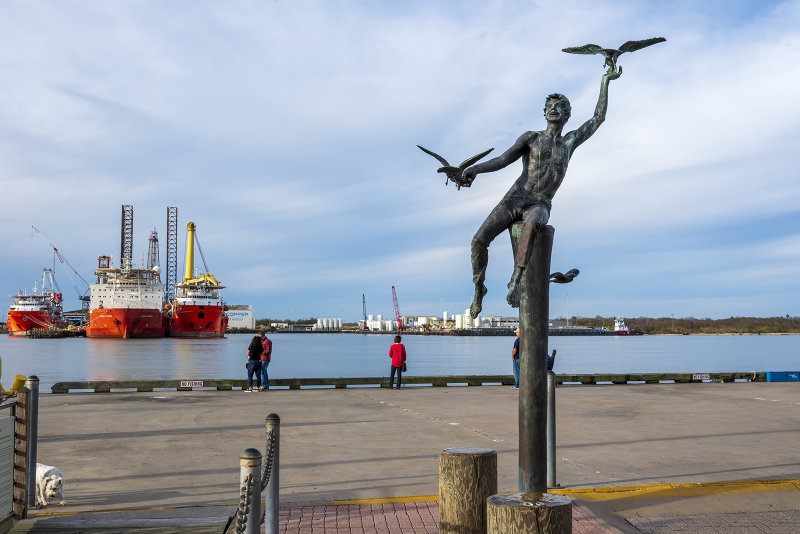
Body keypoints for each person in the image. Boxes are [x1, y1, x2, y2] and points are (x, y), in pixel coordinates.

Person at [458, 67, 621, 318]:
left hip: (540, 202)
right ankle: (479, 289)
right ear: (544, 113)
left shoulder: (569, 142)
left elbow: (597, 119)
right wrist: (475, 169)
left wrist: (605, 82)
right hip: (515, 197)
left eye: (559, 106)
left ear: (567, 115)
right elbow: (503, 159)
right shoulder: (531, 137)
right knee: (478, 241)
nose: (553, 109)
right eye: (550, 106)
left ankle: (516, 278)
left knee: (533, 222)